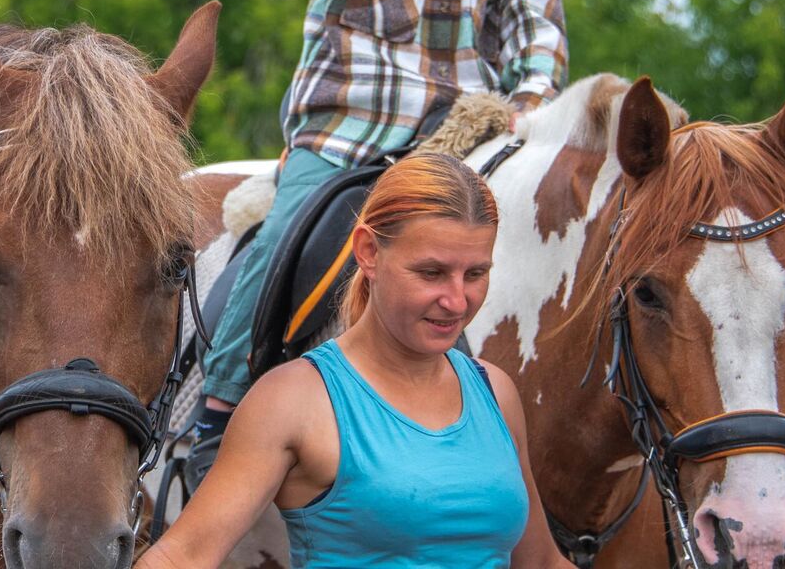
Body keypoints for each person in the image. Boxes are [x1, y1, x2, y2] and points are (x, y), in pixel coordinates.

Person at [189, 0, 569, 472]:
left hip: (457, 151)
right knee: (282, 241)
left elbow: (537, 25)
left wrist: (533, 101)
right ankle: (219, 412)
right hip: (345, 133)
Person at [141, 155, 569, 569]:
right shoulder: (293, 400)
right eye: (431, 273)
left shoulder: (495, 391)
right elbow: (185, 555)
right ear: (368, 251)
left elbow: (542, 562)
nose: (457, 301)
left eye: (475, 274)